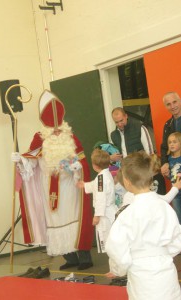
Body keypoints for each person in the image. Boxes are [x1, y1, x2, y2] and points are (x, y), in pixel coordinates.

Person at [11, 90, 94, 270]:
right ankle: (70, 258)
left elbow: (82, 160)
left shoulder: (70, 136)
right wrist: (21, 159)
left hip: (70, 186)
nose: (56, 131)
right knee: (55, 220)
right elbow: (31, 162)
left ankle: (85, 257)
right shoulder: (39, 138)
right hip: (48, 187)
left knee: (76, 218)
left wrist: (77, 167)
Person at [105, 152, 181, 300]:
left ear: (126, 182)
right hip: (166, 273)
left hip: (141, 276)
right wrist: (163, 253)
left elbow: (116, 247)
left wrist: (118, 268)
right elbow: (177, 239)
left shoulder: (127, 214)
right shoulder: (165, 208)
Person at [76, 149, 116, 253]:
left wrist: (97, 215)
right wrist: (85, 185)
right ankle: (114, 268)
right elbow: (95, 185)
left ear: (94, 165)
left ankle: (115, 268)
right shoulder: (105, 175)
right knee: (112, 241)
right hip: (109, 211)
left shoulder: (101, 179)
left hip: (104, 214)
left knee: (108, 243)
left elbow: (100, 198)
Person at [161, 91, 181, 177]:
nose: (172, 106)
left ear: (180, 101)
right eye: (168, 104)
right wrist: (165, 163)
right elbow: (164, 147)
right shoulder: (167, 125)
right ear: (165, 107)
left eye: (174, 102)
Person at [167, 132, 181, 224]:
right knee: (178, 216)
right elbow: (171, 177)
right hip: (175, 193)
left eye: (174, 142)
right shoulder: (169, 159)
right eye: (169, 142)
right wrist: (168, 174)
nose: (171, 144)